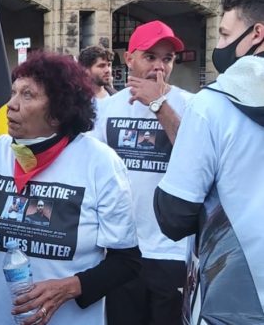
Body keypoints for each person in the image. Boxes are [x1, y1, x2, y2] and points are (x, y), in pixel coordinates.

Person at [0, 51, 141, 324]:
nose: (11, 105)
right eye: (13, 93)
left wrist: (69, 287)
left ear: (58, 111)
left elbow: (126, 262)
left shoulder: (100, 163)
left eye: (27, 95)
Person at [155, 0, 264, 323]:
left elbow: (173, 215)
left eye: (224, 34)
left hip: (235, 298)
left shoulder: (211, 106)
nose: (219, 46)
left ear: (256, 34)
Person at [92, 20, 191, 325]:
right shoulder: (108, 109)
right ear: (129, 58)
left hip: (171, 252)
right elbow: (93, 170)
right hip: (122, 251)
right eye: (150, 57)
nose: (159, 68)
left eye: (167, 59)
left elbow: (194, 159)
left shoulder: (191, 106)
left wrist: (159, 105)